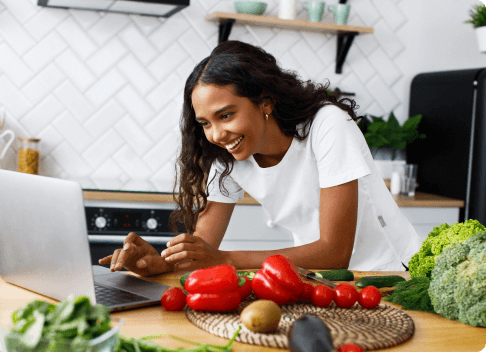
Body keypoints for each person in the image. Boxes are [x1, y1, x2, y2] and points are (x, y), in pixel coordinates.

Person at [99, 40, 422, 276]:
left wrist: (226, 259)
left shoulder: (328, 125)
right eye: (205, 123)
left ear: (265, 102)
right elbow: (204, 248)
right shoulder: (226, 155)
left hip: (389, 272)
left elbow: (334, 252)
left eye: (226, 115)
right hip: (320, 276)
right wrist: (158, 263)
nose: (216, 134)